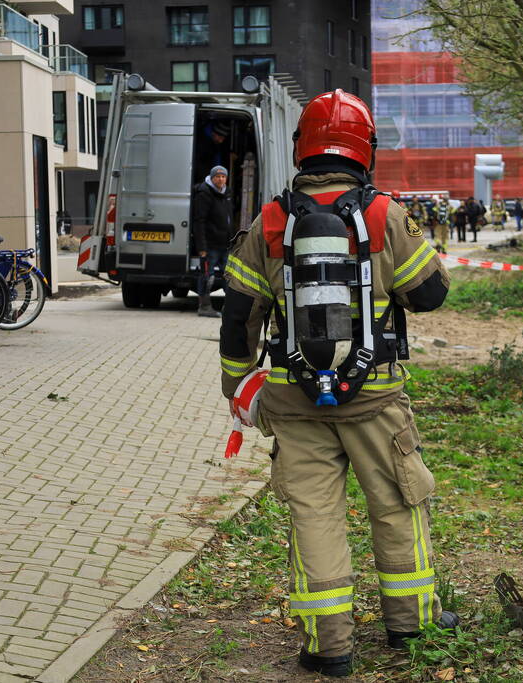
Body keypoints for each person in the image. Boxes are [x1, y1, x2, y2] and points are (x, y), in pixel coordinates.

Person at [219, 89, 457, 678]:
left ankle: (330, 645)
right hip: (375, 397)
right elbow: (429, 294)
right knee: (399, 504)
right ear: (365, 149)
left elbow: (238, 315)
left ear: (302, 148)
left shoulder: (269, 219)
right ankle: (413, 623)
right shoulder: (382, 213)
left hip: (292, 399)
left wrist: (236, 387)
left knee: (313, 517)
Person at [192, 165, 233, 317]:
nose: (221, 179)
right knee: (206, 276)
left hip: (225, 244)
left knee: (229, 276)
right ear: (212, 177)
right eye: (218, 176)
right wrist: (202, 247)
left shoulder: (226, 193)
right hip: (210, 245)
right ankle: (204, 307)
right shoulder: (204, 193)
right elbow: (199, 222)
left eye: (223, 177)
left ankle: (229, 308)